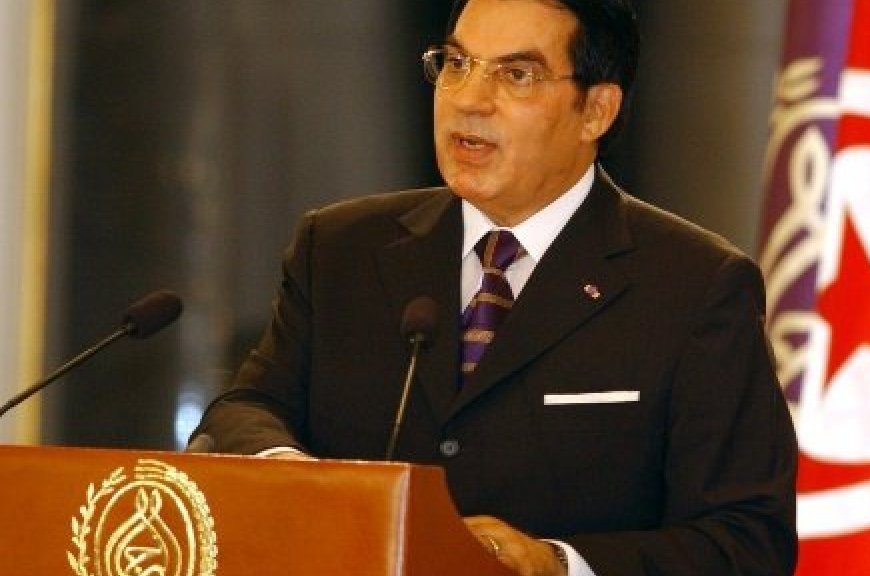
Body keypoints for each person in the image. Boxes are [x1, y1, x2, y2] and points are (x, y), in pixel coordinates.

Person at [192, 0, 798, 574]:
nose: (469, 100)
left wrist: (557, 563)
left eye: (517, 75)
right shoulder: (341, 248)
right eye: (456, 64)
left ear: (596, 111)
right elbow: (243, 412)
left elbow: (746, 540)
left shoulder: (694, 285)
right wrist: (296, 477)